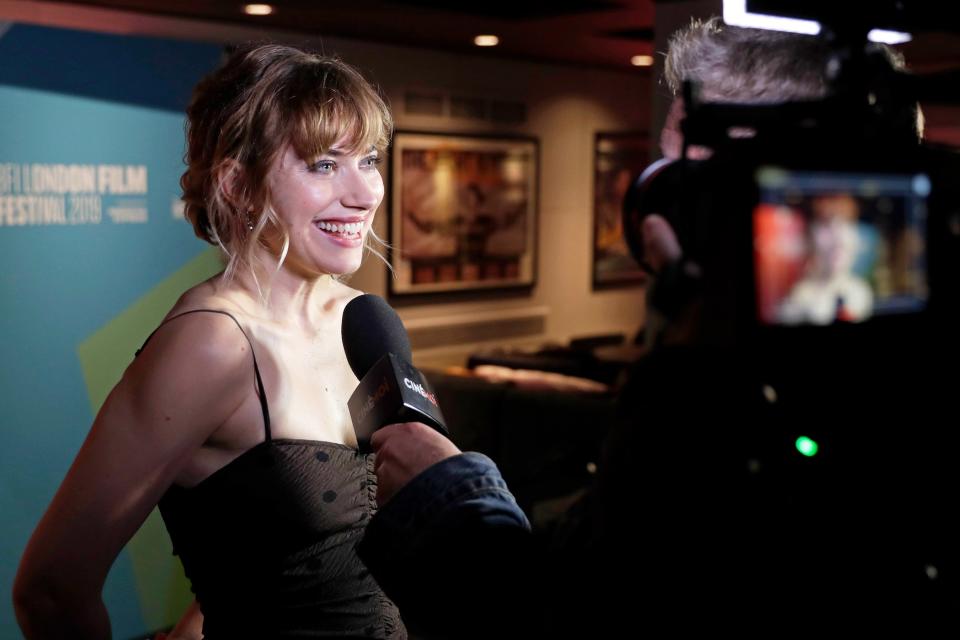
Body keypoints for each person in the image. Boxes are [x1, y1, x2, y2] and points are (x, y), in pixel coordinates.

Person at [358, 17, 957, 637]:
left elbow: (584, 613)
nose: (655, 223)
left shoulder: (704, 396)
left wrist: (445, 495)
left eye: (678, 184)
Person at [14, 44, 406, 639]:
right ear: (237, 184)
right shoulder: (212, 344)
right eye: (324, 164)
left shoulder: (366, 320)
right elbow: (49, 589)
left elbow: (276, 560)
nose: (364, 193)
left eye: (369, 159)